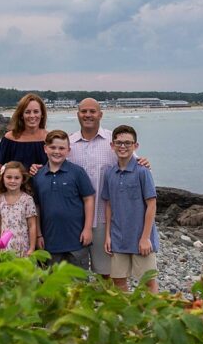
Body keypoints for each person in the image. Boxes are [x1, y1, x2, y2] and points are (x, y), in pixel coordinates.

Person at [65, 98, 150, 279]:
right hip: (74, 218)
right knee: (73, 273)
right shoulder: (68, 144)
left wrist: (144, 161)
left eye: (92, 111)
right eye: (84, 111)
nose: (88, 115)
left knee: (106, 272)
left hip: (104, 217)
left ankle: (106, 305)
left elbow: (134, 164)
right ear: (78, 114)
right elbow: (54, 165)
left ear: (100, 114)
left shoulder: (113, 142)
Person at [102, 125, 159, 293]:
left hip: (141, 238)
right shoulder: (110, 173)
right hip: (118, 238)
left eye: (128, 143)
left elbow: (151, 205)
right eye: (119, 143)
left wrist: (145, 238)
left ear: (135, 146)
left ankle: (153, 318)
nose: (123, 147)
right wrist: (107, 236)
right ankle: (125, 316)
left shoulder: (143, 171)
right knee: (118, 280)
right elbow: (109, 205)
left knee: (148, 282)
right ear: (112, 145)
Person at [30, 130, 95, 268]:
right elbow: (36, 207)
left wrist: (88, 228)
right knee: (51, 284)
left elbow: (89, 199)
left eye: (61, 148)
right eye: (53, 147)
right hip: (49, 242)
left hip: (76, 241)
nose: (57, 151)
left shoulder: (77, 172)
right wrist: (38, 235)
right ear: (45, 148)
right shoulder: (38, 176)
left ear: (68, 150)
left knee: (78, 285)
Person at [0, 93, 48, 179]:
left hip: (43, 191)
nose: (32, 116)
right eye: (27, 112)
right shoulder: (10, 139)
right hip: (15, 191)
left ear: (42, 114)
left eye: (36, 112)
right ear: (21, 115)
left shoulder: (49, 139)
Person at [0, 161, 38, 256]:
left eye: (17, 178)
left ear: (22, 180)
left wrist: (32, 248)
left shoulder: (27, 200)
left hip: (23, 248)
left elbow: (32, 225)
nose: (12, 181)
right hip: (5, 248)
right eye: (9, 177)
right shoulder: (0, 199)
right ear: (3, 178)